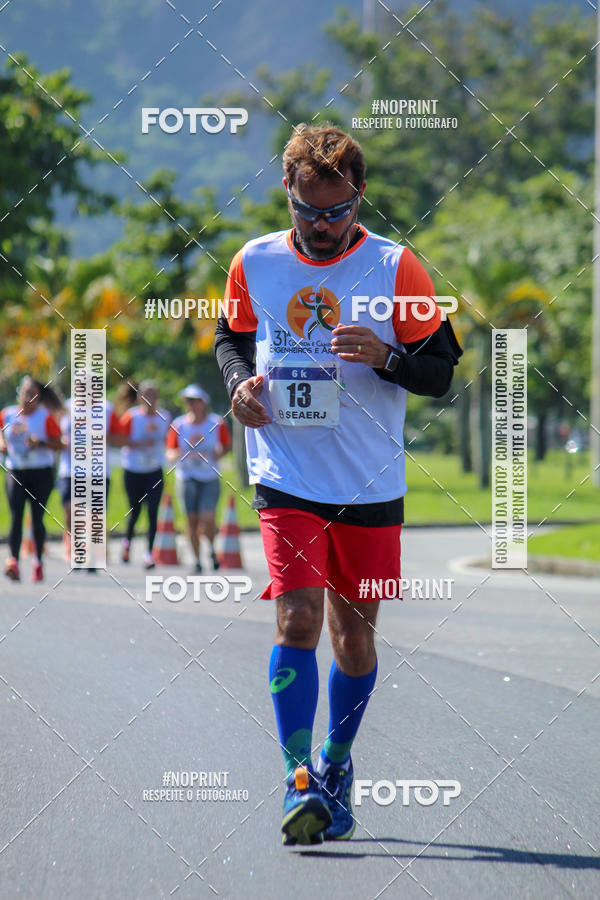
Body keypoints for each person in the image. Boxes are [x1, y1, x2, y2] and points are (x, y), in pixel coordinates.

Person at [215, 123, 462, 845]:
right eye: (308, 211)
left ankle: (335, 762)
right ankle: (298, 781)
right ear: (286, 192)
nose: (322, 227)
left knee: (353, 642)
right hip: (284, 473)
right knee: (297, 621)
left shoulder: (396, 267)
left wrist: (388, 357)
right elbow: (231, 336)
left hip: (368, 482)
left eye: (337, 212)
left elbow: (440, 372)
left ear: (360, 199)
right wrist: (237, 386)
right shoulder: (253, 261)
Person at [0, 376, 63, 582]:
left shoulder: (44, 417)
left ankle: (37, 562)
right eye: (26, 392)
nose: (29, 398)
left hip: (40, 472)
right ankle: (14, 562)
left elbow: (59, 443)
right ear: (19, 392)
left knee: (37, 518)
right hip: (16, 470)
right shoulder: (8, 414)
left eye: (33, 394)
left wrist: (41, 443)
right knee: (16, 515)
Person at [166, 385, 231, 572]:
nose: (191, 404)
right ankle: (196, 560)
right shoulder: (179, 425)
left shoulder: (216, 423)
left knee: (208, 517)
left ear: (203, 403)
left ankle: (211, 547)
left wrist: (219, 453)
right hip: (187, 477)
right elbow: (169, 452)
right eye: (188, 401)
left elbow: (226, 446)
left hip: (209, 476)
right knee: (191, 520)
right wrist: (180, 453)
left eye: (195, 401)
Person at [57, 396, 123, 569]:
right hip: (70, 469)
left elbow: (120, 438)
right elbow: (54, 432)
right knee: (70, 510)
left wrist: (101, 436)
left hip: (97, 471)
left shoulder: (106, 409)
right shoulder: (65, 407)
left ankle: (94, 556)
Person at [118, 380, 170, 569]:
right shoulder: (131, 417)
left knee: (153, 511)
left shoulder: (164, 417)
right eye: (146, 394)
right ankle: (127, 543)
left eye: (153, 394)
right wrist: (139, 444)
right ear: (140, 397)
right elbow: (119, 440)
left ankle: (149, 553)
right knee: (135, 509)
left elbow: (169, 439)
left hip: (154, 470)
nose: (150, 398)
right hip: (133, 470)